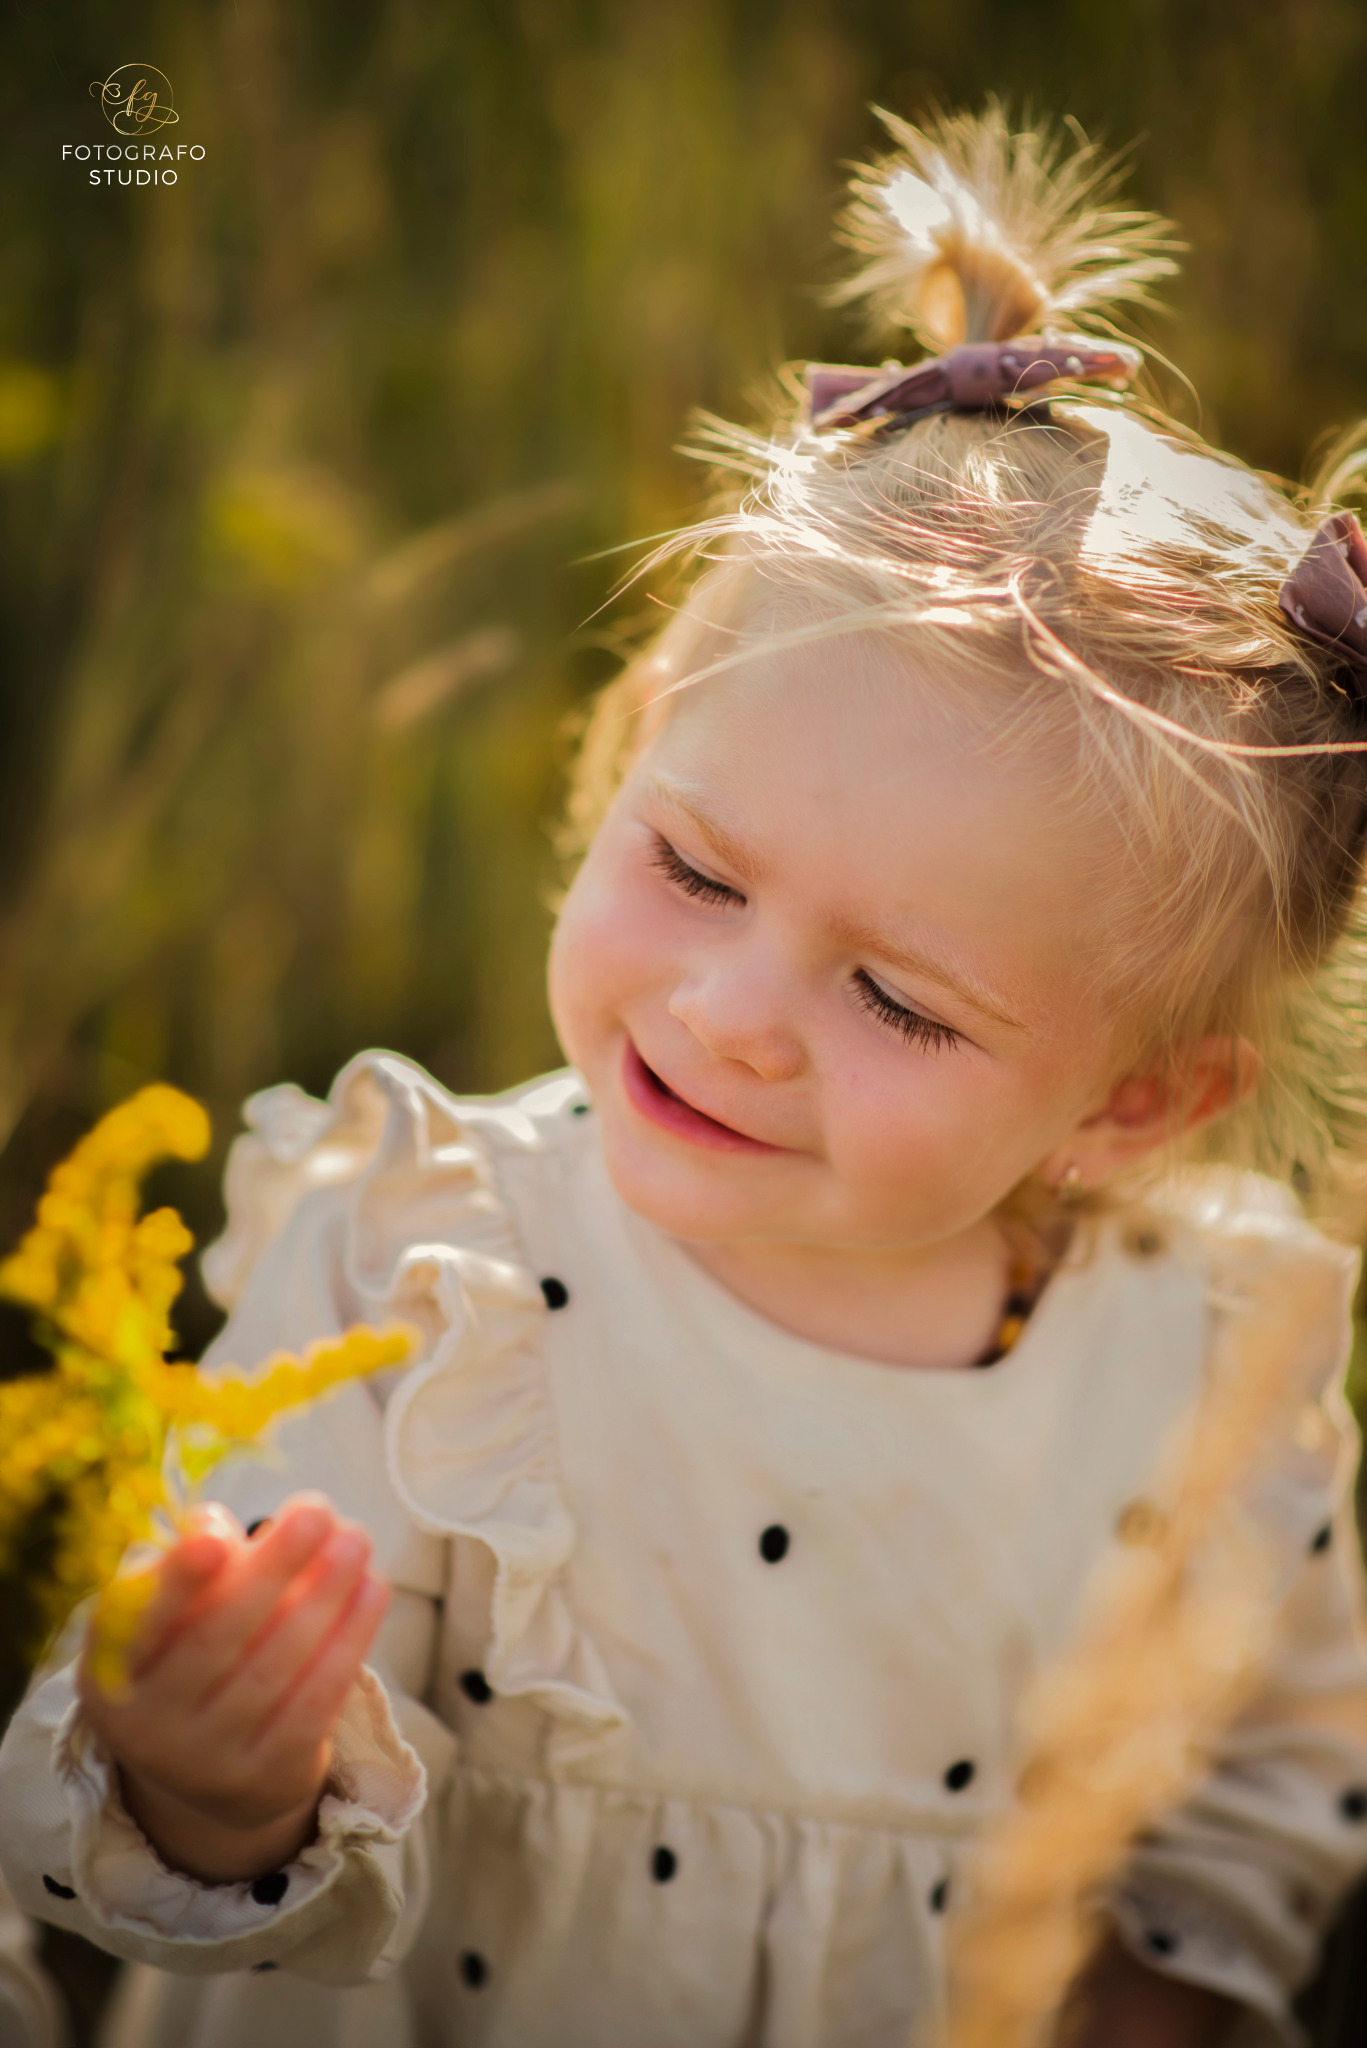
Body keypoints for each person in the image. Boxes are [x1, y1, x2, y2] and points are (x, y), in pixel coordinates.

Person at [3, 102, 1367, 2048]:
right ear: (639, 736)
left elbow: (1277, 1758)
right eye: (698, 871)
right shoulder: (427, 1274)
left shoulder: (1204, 1364)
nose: (731, 1011)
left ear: (1131, 1103)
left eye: (898, 1000)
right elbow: (174, 1845)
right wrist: (219, 1789)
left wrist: (1162, 1981)